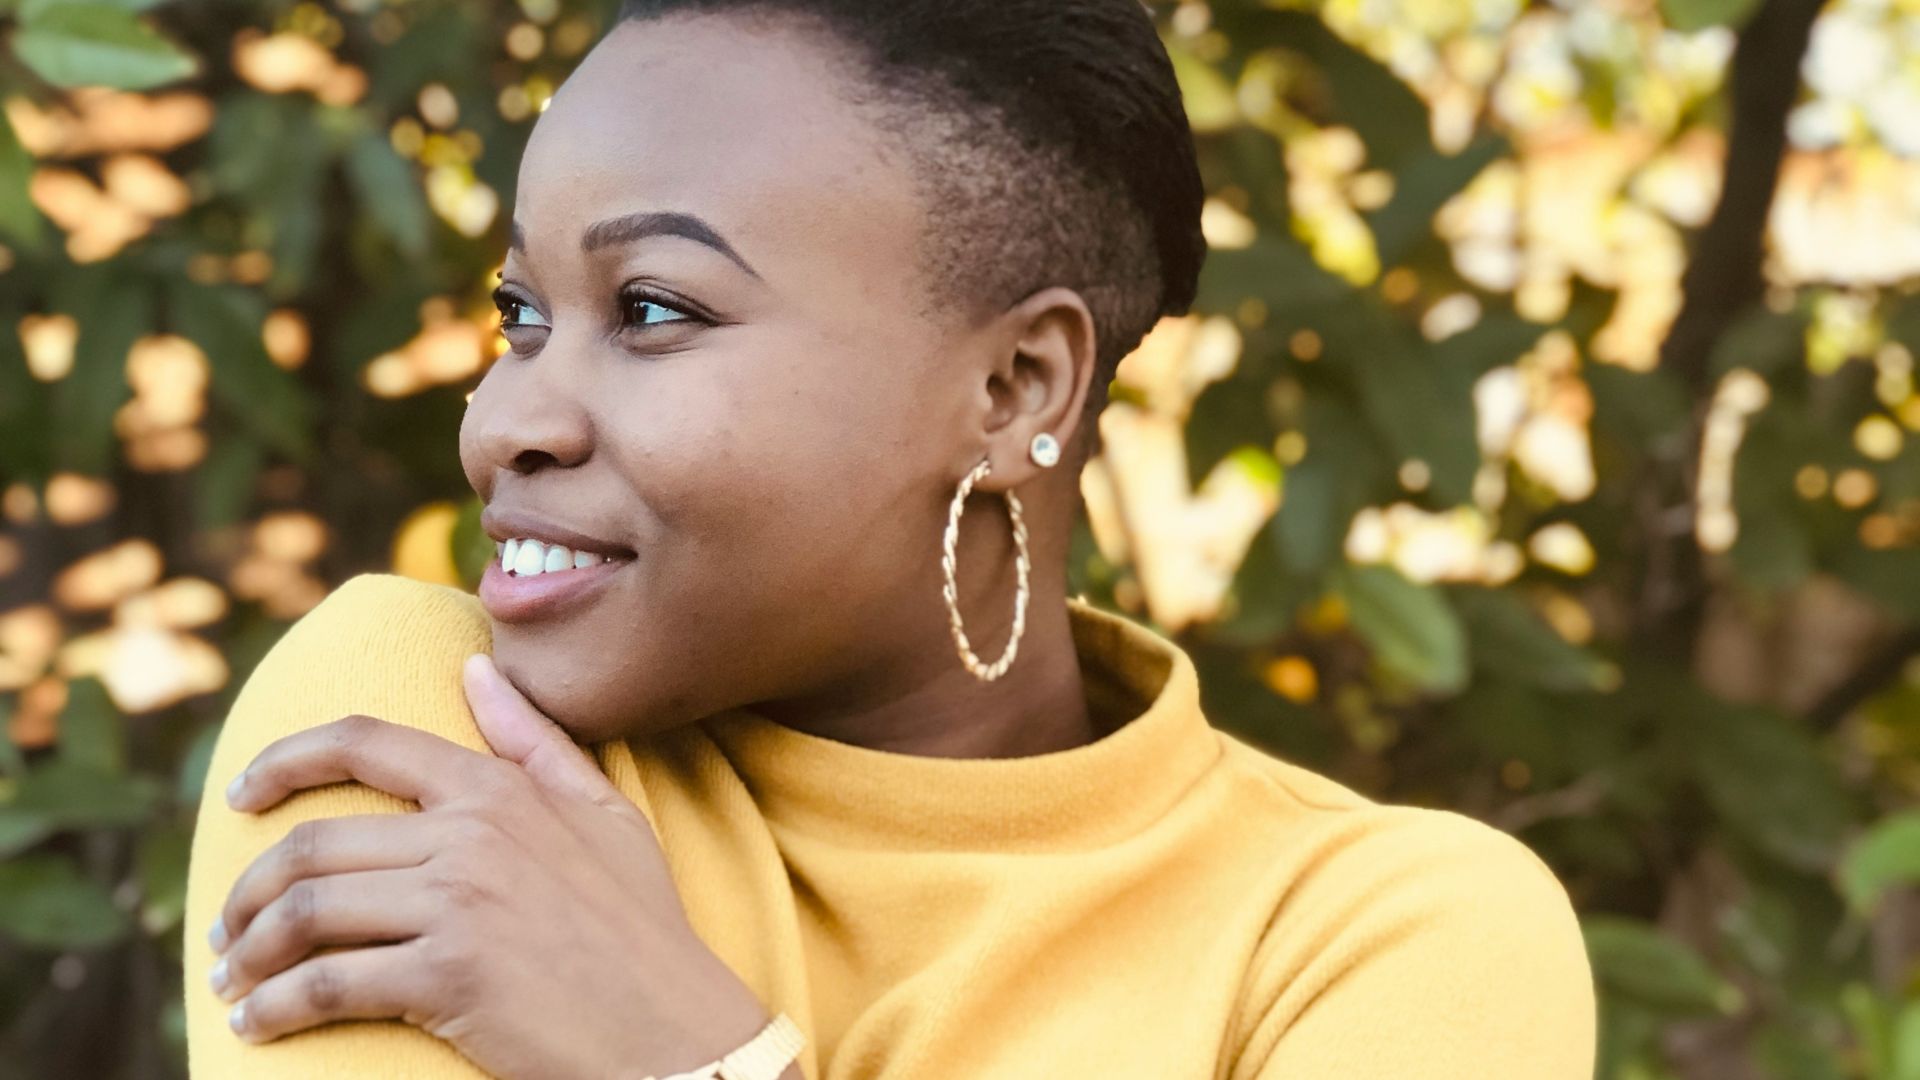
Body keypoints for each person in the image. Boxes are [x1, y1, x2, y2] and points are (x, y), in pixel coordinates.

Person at [182, 1, 1598, 1077]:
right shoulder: (426, 741)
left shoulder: (1378, 931)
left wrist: (696, 1060)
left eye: (656, 310)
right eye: (523, 316)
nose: (502, 423)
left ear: (1011, 390)